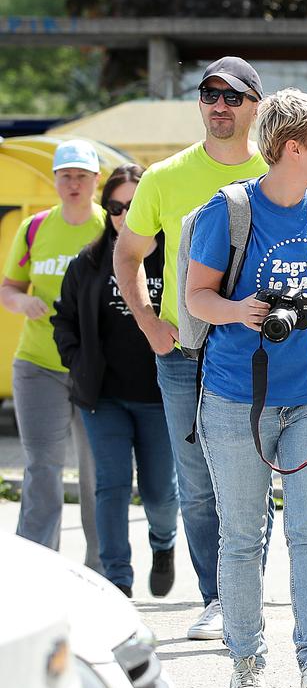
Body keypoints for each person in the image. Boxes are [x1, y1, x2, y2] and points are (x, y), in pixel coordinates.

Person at [187, 88, 307, 688]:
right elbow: (196, 296)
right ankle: (246, 664)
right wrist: (240, 312)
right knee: (242, 535)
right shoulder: (229, 213)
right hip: (237, 399)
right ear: (293, 148)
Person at [114, 56, 269, 641]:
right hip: (184, 355)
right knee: (198, 481)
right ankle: (219, 597)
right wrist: (150, 322)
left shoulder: (276, 171)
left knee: (253, 478)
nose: (220, 106)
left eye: (232, 96)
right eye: (209, 95)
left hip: (259, 352)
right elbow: (128, 257)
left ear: (255, 104)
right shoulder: (164, 176)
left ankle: (243, 594)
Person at [52, 164, 178, 598]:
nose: (124, 213)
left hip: (161, 398)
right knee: (111, 485)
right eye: (115, 206)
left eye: (133, 204)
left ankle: (163, 543)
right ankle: (117, 581)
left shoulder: (178, 257)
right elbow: (63, 321)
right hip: (102, 398)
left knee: (161, 494)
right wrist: (78, 362)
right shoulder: (87, 264)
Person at [2, 139, 104, 569]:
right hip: (38, 364)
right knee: (41, 467)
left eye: (82, 176)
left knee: (97, 473)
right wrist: (22, 303)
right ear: (56, 181)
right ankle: (37, 566)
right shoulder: (34, 227)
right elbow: (9, 288)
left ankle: (105, 568)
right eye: (66, 176)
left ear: (97, 181)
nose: (74, 183)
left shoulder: (112, 227)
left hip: (96, 366)